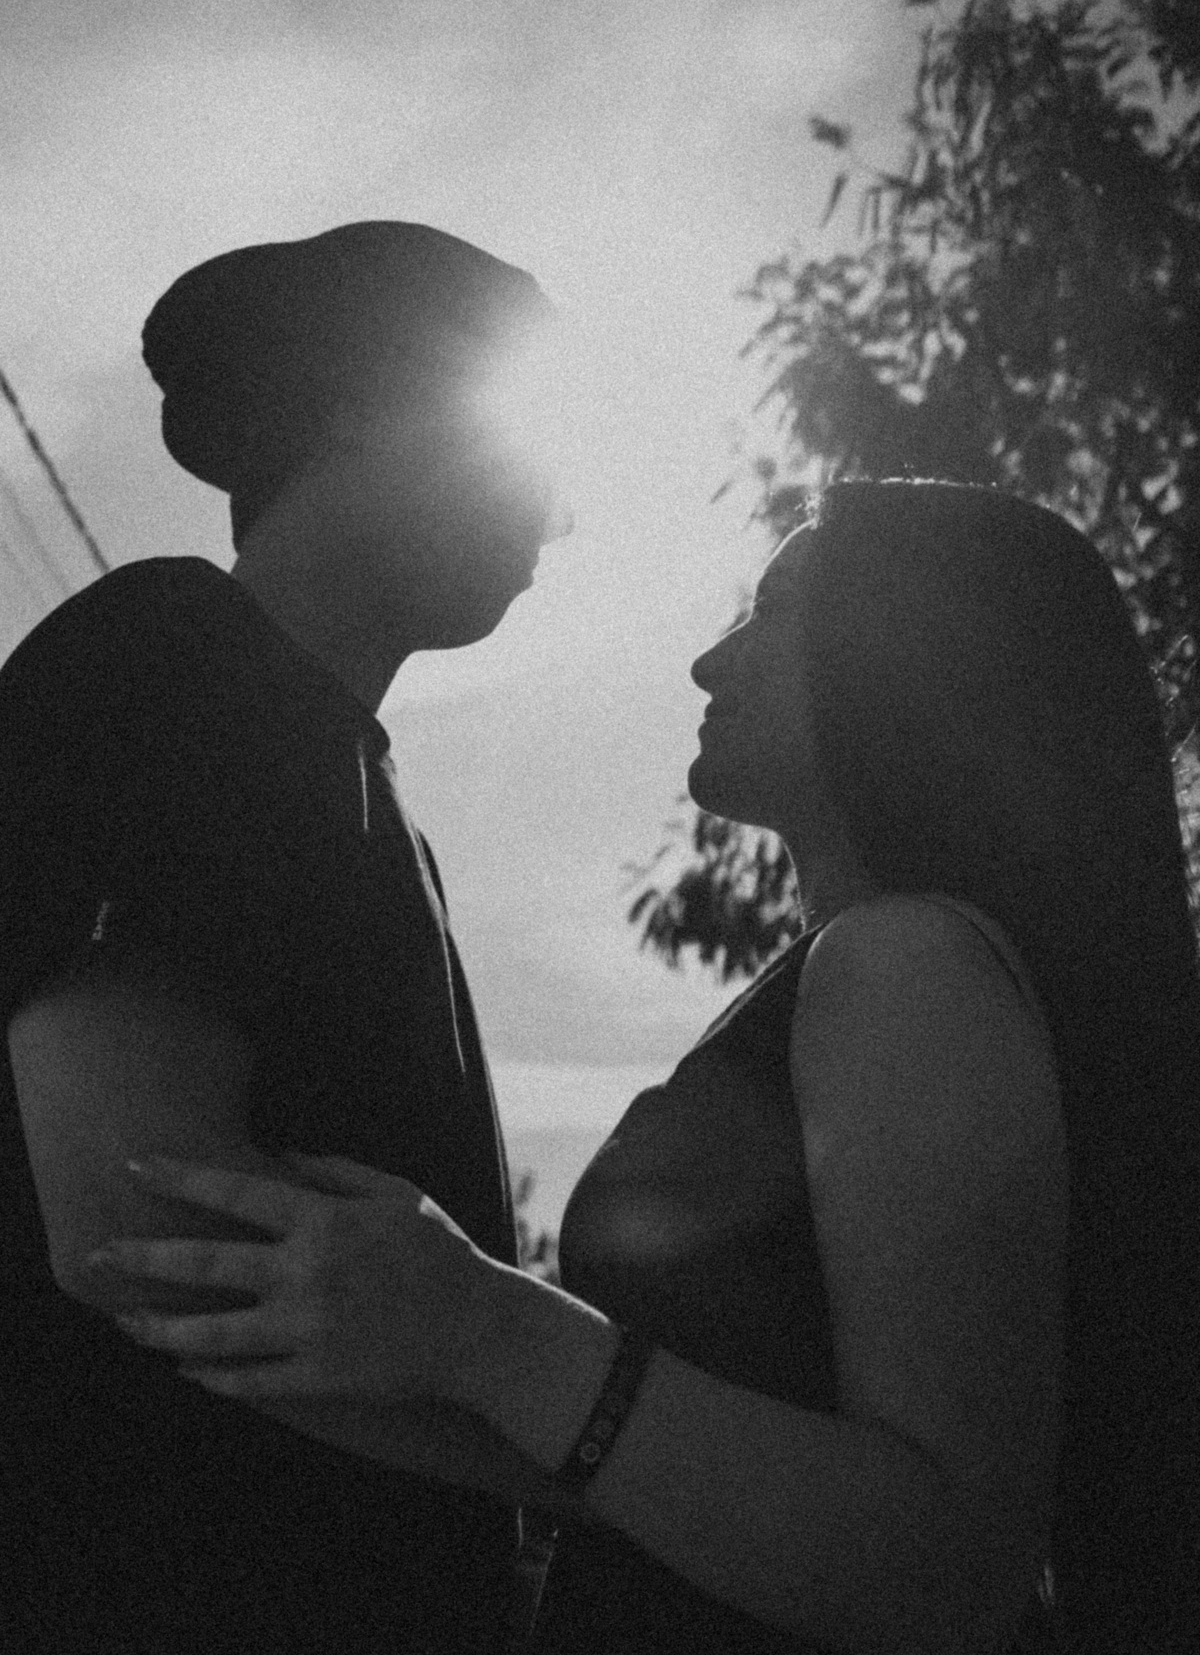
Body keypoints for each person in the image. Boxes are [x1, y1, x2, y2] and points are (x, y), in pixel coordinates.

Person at [93, 481, 1199, 1654]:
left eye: (773, 609)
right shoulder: (868, 974)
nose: (710, 662)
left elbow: (951, 1563)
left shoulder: (906, 962)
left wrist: (487, 1328)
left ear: (913, 655)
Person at [0, 220, 569, 1654]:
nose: (556, 513)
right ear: (368, 406)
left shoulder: (359, 787)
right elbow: (136, 1224)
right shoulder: (177, 654)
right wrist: (612, 1464)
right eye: (524, 439)